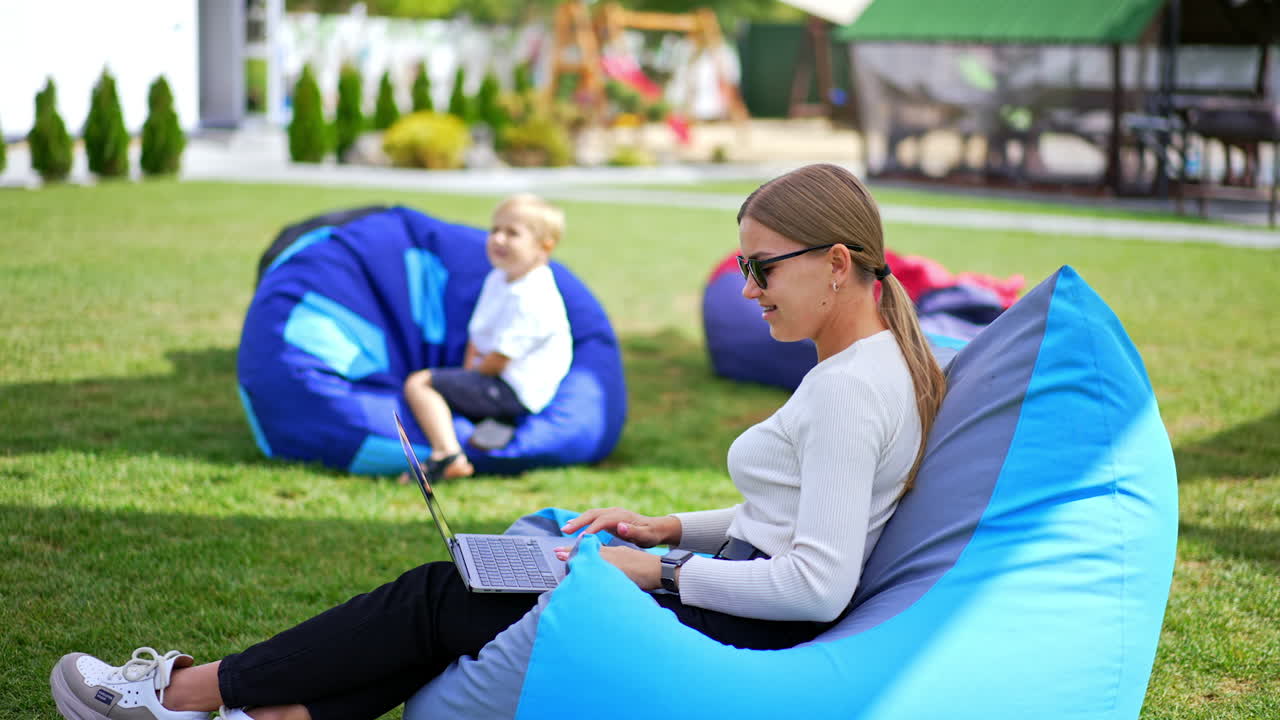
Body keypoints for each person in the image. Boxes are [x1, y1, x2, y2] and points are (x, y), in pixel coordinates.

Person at [49, 164, 947, 720]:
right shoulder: (868, 369)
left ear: (837, 263)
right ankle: (270, 717)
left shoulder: (849, 390)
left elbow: (814, 583)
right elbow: (788, 514)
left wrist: (660, 575)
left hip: (737, 625)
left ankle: (176, 695)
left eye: (762, 267)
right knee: (463, 589)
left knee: (436, 598)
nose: (748, 289)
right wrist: (668, 527)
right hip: (727, 592)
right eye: (743, 267)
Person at [402, 193, 572, 481]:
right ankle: (489, 422)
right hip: (496, 378)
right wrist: (466, 377)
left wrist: (468, 380)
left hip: (513, 390)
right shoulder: (499, 278)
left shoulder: (534, 295)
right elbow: (478, 337)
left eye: (512, 233)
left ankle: (447, 454)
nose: (499, 239)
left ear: (544, 247)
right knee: (450, 381)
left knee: (419, 383)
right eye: (495, 230)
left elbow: (498, 360)